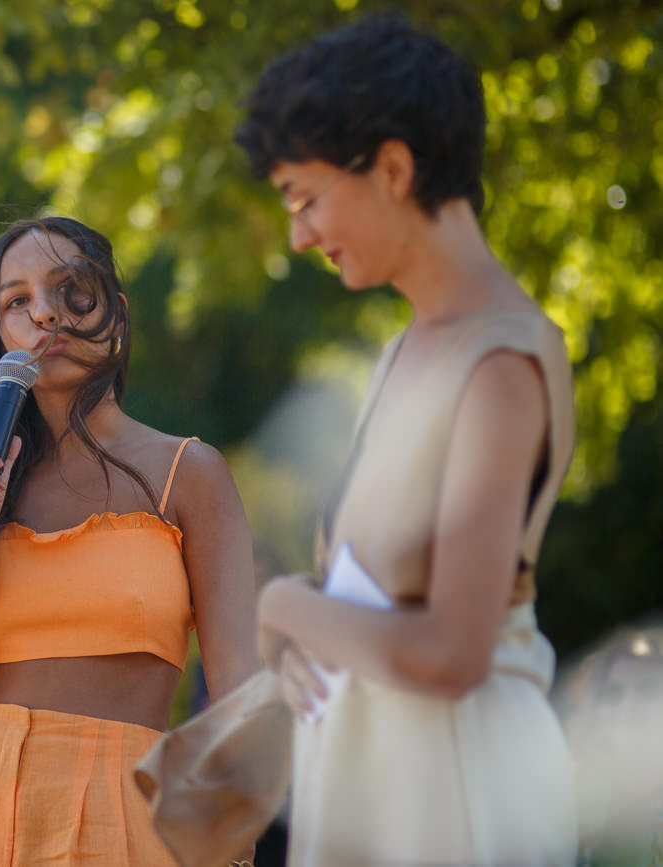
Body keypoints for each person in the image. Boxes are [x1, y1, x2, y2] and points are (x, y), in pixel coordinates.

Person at [235, 13, 577, 865]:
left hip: (461, 794)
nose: (300, 236)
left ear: (393, 167)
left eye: (306, 199)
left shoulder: (501, 362)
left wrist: (281, 605)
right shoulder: (403, 352)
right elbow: (373, 600)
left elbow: (452, 650)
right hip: (371, 784)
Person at [0, 217, 258, 866]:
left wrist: (235, 832)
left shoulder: (187, 471)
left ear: (116, 314)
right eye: (17, 301)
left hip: (122, 810)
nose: (45, 314)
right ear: (1, 335)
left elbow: (237, 676)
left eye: (71, 289)